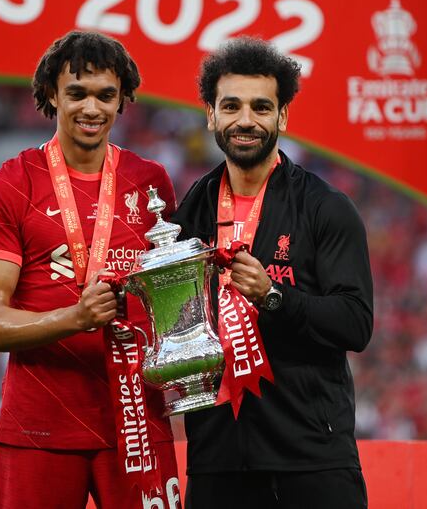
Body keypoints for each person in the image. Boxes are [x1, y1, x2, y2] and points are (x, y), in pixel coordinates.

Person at [0, 31, 180, 509]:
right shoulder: (8, 186)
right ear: (50, 95)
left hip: (137, 421)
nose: (92, 108)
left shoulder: (151, 183)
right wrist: (75, 319)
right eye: (77, 93)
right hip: (39, 425)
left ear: (123, 98)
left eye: (106, 95)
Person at [173, 37, 374, 508]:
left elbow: (356, 323)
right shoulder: (190, 214)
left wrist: (273, 297)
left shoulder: (327, 208)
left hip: (311, 457)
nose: (246, 120)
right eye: (232, 106)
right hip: (218, 459)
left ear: (282, 116)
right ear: (211, 115)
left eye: (261, 107)